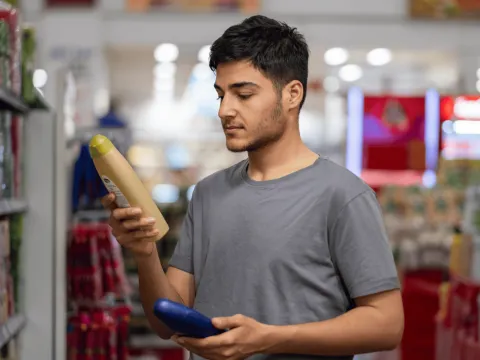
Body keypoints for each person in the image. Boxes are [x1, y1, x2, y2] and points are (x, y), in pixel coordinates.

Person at [102, 15, 404, 360]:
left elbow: (387, 324)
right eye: (221, 94)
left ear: (292, 94)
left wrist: (269, 338)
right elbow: (167, 322)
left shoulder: (344, 195)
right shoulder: (207, 194)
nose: (225, 110)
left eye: (243, 94)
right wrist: (144, 252)